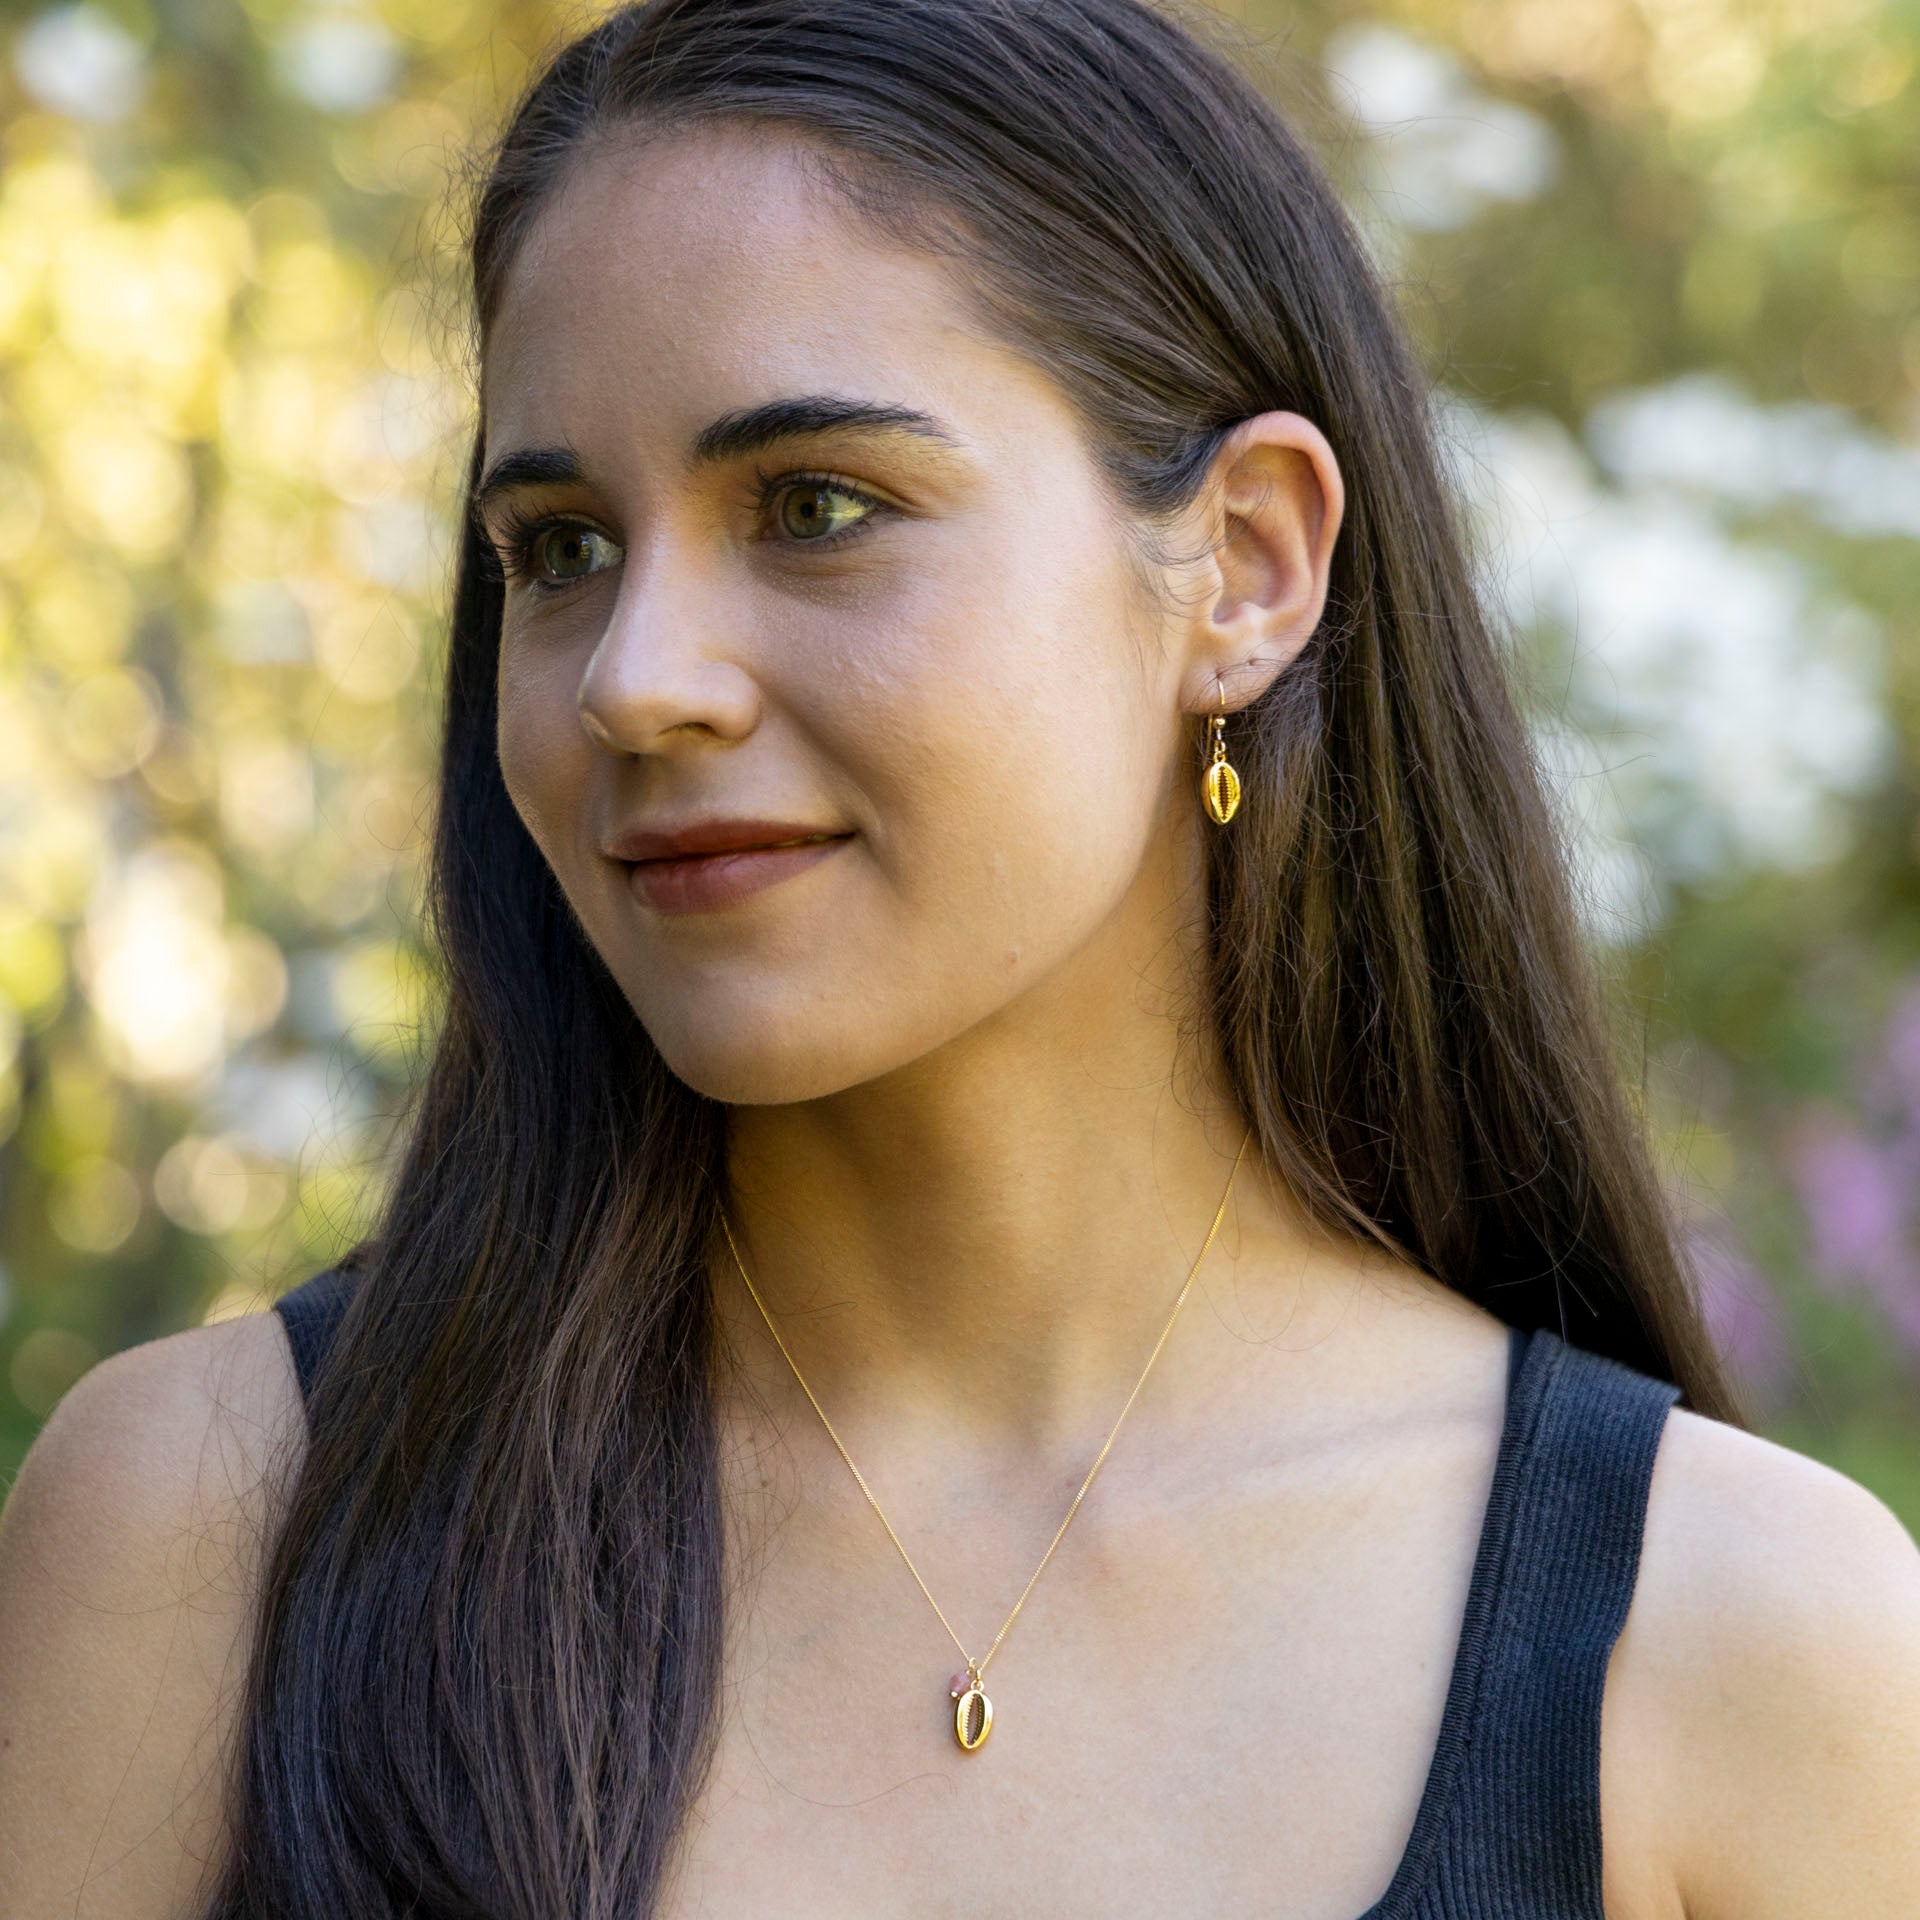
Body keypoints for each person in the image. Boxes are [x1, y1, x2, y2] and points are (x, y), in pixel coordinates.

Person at [5, 0, 1920, 1912]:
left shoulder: (1739, 1647)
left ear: (1246, 565)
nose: (639, 681)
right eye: (563, 549)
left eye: (819, 506)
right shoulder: (207, 1536)